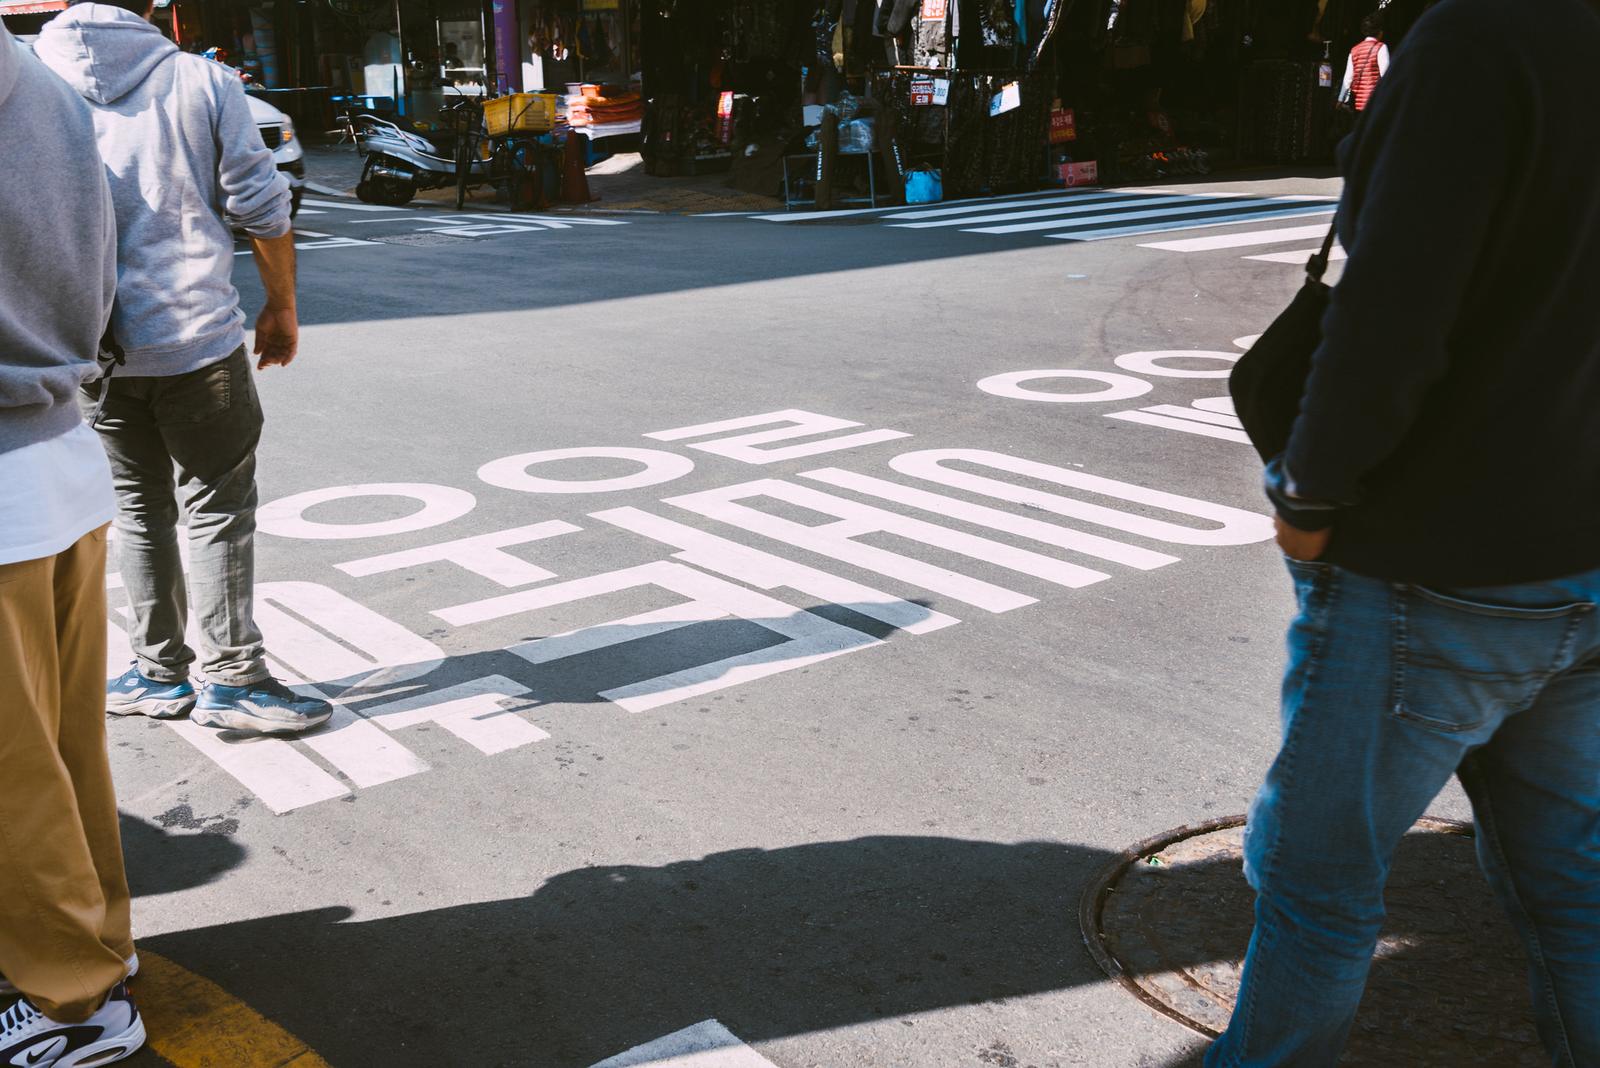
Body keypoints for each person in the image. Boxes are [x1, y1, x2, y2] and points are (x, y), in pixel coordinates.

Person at [1209, 0, 1600, 1064]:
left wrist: (1308, 496)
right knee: (1570, 880)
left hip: (1436, 562)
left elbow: (1389, 311)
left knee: (1315, 887)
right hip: (1579, 555)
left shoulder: (1480, 38)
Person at [36, 0, 333, 735]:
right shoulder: (200, 82)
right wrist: (281, 307)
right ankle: (233, 677)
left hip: (93, 348)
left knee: (139, 510)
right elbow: (263, 209)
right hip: (195, 338)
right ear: (153, 7)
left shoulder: (32, 85)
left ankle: (156, 672)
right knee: (218, 505)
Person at [0, 20, 145, 1067]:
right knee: (62, 752)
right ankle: (99, 953)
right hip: (57, 450)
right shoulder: (46, 93)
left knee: (14, 770)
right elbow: (103, 273)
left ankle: (66, 1001)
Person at [1336, 13, 1388, 113]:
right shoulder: (1381, 47)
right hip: (1374, 103)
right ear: (1380, 32)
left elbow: (1348, 79)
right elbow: (1386, 76)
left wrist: (1340, 99)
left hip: (1356, 104)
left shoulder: (1354, 50)